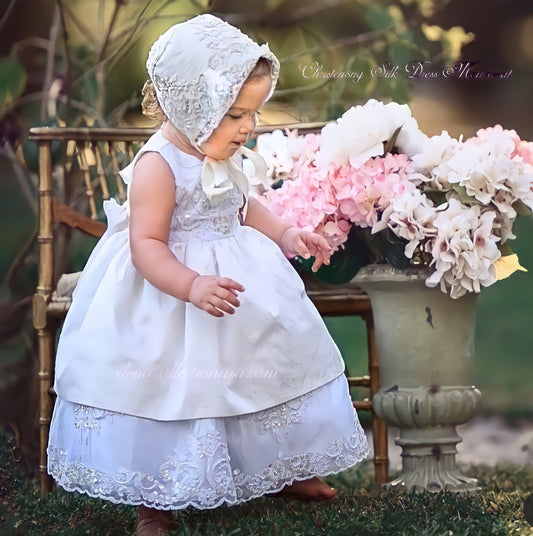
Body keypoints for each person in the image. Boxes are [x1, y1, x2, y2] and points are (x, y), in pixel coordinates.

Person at [47, 14, 369, 536]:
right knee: (168, 386)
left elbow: (243, 206)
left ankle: (283, 468)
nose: (250, 127)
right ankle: (155, 498)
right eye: (237, 114)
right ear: (192, 105)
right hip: (168, 290)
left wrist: (286, 234)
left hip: (237, 281)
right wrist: (191, 285)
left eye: (253, 114)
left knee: (270, 359)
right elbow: (146, 245)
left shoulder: (223, 150)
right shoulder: (160, 164)